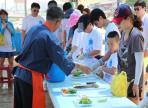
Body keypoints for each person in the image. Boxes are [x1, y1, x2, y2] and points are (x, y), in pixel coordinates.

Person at [13, 7, 91, 108]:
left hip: (19, 75)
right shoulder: (50, 38)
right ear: (58, 21)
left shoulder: (34, 28)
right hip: (31, 78)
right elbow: (62, 62)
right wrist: (79, 66)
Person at [112, 4, 144, 103]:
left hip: (133, 84)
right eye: (116, 22)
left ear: (129, 18)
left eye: (119, 21)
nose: (117, 24)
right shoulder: (122, 33)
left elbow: (139, 62)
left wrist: (136, 84)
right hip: (123, 82)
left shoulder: (136, 36)